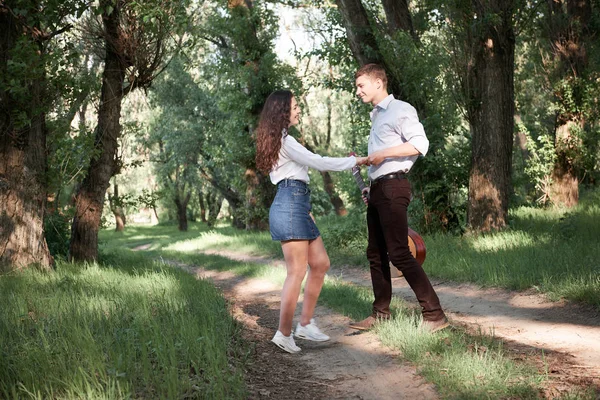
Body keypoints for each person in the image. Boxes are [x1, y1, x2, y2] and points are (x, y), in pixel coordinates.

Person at [255, 89, 368, 353]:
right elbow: (318, 162)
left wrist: (305, 208)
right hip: (290, 202)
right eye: (294, 106)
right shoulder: (285, 142)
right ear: (282, 110)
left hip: (298, 203)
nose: (298, 110)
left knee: (320, 263)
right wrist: (355, 161)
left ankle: (304, 324)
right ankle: (283, 333)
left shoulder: (282, 139)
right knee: (296, 272)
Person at [349, 64, 449, 332]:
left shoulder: (400, 109)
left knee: (399, 252)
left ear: (378, 83)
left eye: (361, 85)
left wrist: (384, 155)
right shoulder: (376, 116)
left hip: (394, 187)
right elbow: (383, 157)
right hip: (379, 187)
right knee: (375, 253)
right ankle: (380, 313)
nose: (357, 91)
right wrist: (371, 181)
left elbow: (420, 144)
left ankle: (434, 314)